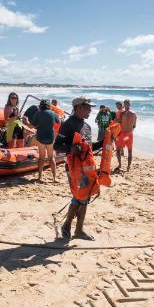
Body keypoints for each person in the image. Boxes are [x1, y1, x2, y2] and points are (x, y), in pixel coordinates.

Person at [55, 97, 95, 241]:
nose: (90, 110)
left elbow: (90, 147)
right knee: (79, 196)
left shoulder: (86, 126)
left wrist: (106, 141)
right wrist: (70, 148)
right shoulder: (68, 124)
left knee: (85, 197)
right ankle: (68, 226)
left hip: (87, 167)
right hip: (74, 168)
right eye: (87, 107)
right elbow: (57, 145)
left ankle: (78, 230)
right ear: (78, 107)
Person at [33, 99, 60, 182]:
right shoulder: (53, 113)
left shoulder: (37, 113)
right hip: (50, 137)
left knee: (41, 158)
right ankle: (54, 178)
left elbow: (34, 124)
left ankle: (40, 177)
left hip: (40, 136)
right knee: (51, 158)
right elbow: (58, 122)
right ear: (49, 106)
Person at [115, 99, 137, 172]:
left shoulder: (122, 113)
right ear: (130, 104)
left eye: (126, 104)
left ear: (124, 105)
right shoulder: (134, 114)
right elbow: (134, 126)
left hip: (124, 134)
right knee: (130, 151)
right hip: (130, 134)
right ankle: (128, 167)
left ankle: (120, 164)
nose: (126, 105)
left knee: (118, 150)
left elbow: (118, 122)